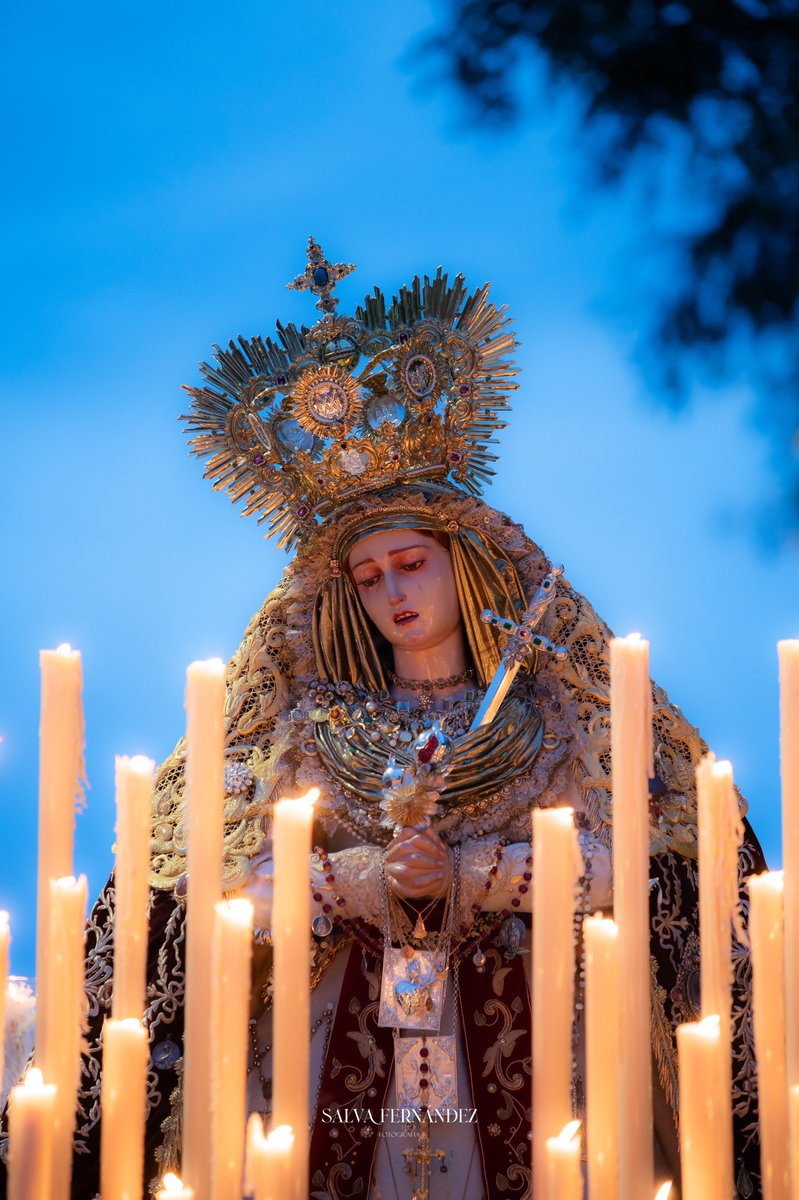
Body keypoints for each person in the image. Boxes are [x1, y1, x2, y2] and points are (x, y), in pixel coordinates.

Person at [1, 240, 765, 1198]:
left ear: (463, 562)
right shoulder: (312, 724)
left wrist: (481, 873)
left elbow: (653, 862)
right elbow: (219, 879)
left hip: (538, 1031)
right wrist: (358, 879)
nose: (393, 592)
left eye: (410, 563)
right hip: (342, 1039)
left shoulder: (551, 710)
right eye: (368, 578)